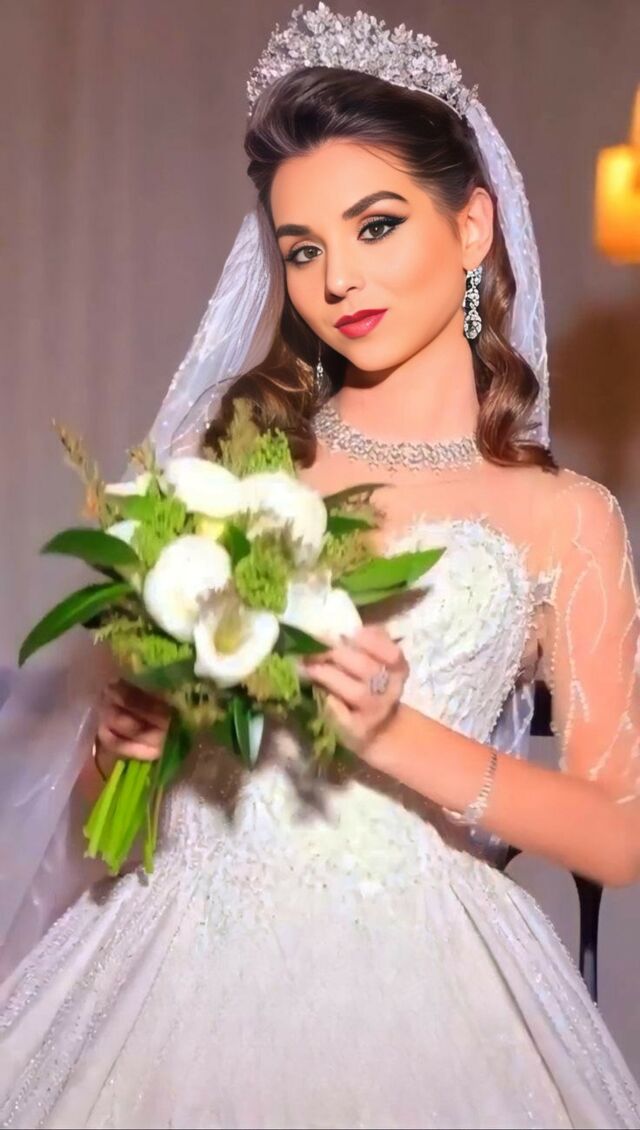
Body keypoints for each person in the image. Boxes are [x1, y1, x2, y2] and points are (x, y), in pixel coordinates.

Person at [0, 4, 639, 1127]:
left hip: (423, 986)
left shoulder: (564, 516)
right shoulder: (233, 468)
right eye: (302, 248)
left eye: (375, 226)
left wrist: (395, 736)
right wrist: (122, 748)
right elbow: (120, 812)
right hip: (171, 966)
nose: (338, 277)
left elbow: (617, 832)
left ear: (473, 226)